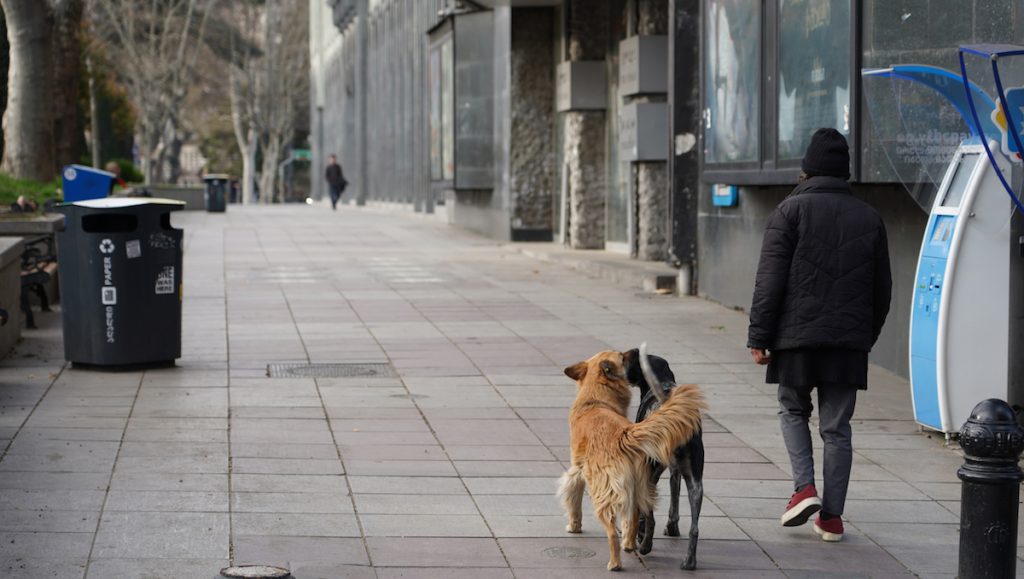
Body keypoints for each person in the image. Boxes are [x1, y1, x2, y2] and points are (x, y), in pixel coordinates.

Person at [747, 128, 892, 543]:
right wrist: (864, 336)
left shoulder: (788, 213)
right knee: (837, 428)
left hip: (795, 340)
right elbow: (883, 290)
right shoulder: (870, 217)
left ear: (806, 169)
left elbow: (769, 281)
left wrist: (760, 335)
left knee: (792, 410)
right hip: (847, 345)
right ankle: (831, 518)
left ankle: (803, 488)